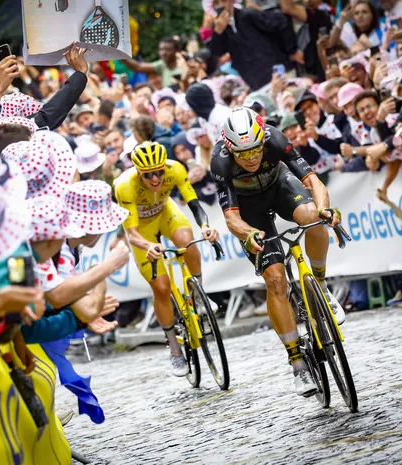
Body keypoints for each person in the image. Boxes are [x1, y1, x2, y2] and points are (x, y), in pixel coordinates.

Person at [210, 107, 345, 397]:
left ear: (263, 140)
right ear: (230, 149)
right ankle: (297, 363)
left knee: (312, 216)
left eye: (255, 150)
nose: (251, 158)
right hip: (249, 208)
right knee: (275, 280)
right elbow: (231, 218)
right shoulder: (220, 161)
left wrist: (324, 208)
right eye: (242, 154)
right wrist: (248, 234)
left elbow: (312, 180)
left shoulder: (275, 138)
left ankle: (321, 287)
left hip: (279, 186)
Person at [113, 141, 220, 376]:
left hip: (165, 213)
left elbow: (194, 204)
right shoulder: (124, 186)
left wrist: (205, 226)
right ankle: (174, 348)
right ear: (138, 172)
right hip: (142, 230)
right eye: (148, 175)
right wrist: (148, 245)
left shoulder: (175, 169)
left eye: (159, 172)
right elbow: (132, 233)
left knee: (188, 241)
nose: (155, 179)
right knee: (161, 288)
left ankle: (198, 294)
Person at [209, 0, 302, 90]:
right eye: (216, 2)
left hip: (279, 73)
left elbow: (280, 21)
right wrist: (218, 32)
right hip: (256, 83)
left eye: (224, 0)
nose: (220, 5)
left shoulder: (247, 15)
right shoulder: (219, 30)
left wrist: (292, 50)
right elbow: (217, 52)